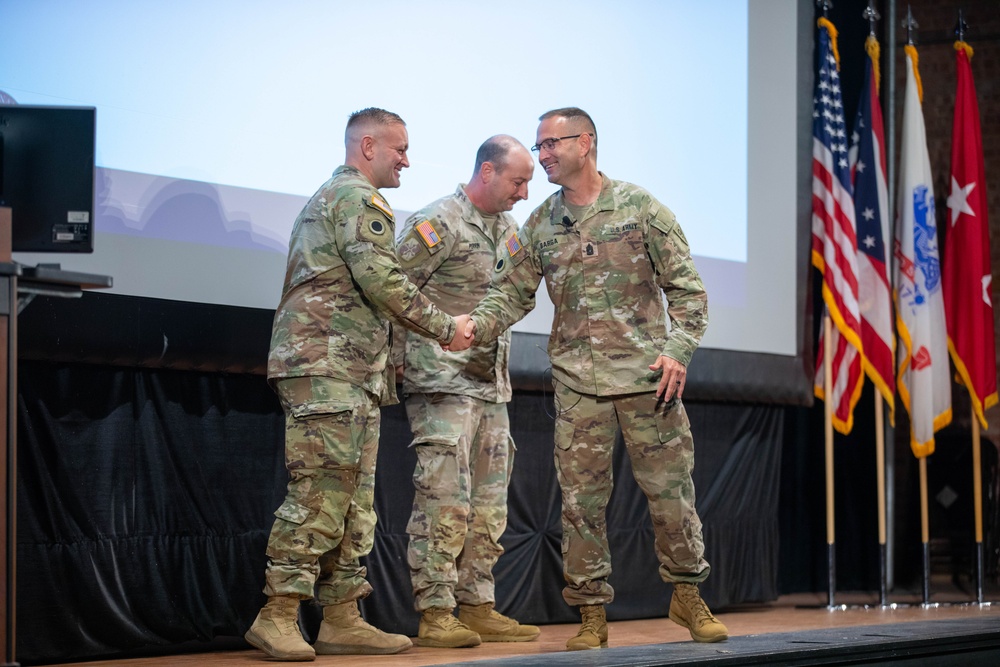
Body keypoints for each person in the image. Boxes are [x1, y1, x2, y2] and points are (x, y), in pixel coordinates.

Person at [464, 108, 728, 650]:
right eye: (538, 148)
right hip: (579, 386)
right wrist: (470, 327)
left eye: (551, 144)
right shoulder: (539, 223)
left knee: (671, 497)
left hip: (648, 382)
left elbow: (689, 292)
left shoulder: (641, 208)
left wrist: (678, 350)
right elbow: (509, 294)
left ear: (585, 142)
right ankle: (590, 613)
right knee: (582, 506)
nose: (543, 156)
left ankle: (688, 595)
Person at [245, 107, 475, 662]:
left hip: (350, 369)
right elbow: (381, 278)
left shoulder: (345, 198)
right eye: (398, 149)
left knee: (353, 499)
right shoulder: (356, 199)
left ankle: (342, 616)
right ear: (367, 146)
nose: (406, 160)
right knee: (321, 492)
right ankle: (276, 613)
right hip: (326, 365)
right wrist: (446, 327)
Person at [394, 136, 540, 648]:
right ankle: (436, 611)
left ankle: (477, 604)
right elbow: (392, 292)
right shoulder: (437, 223)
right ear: (487, 172)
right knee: (444, 501)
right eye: (518, 181)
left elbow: (518, 292)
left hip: (490, 385)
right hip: (440, 382)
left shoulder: (509, 230)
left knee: (489, 504)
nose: (524, 192)